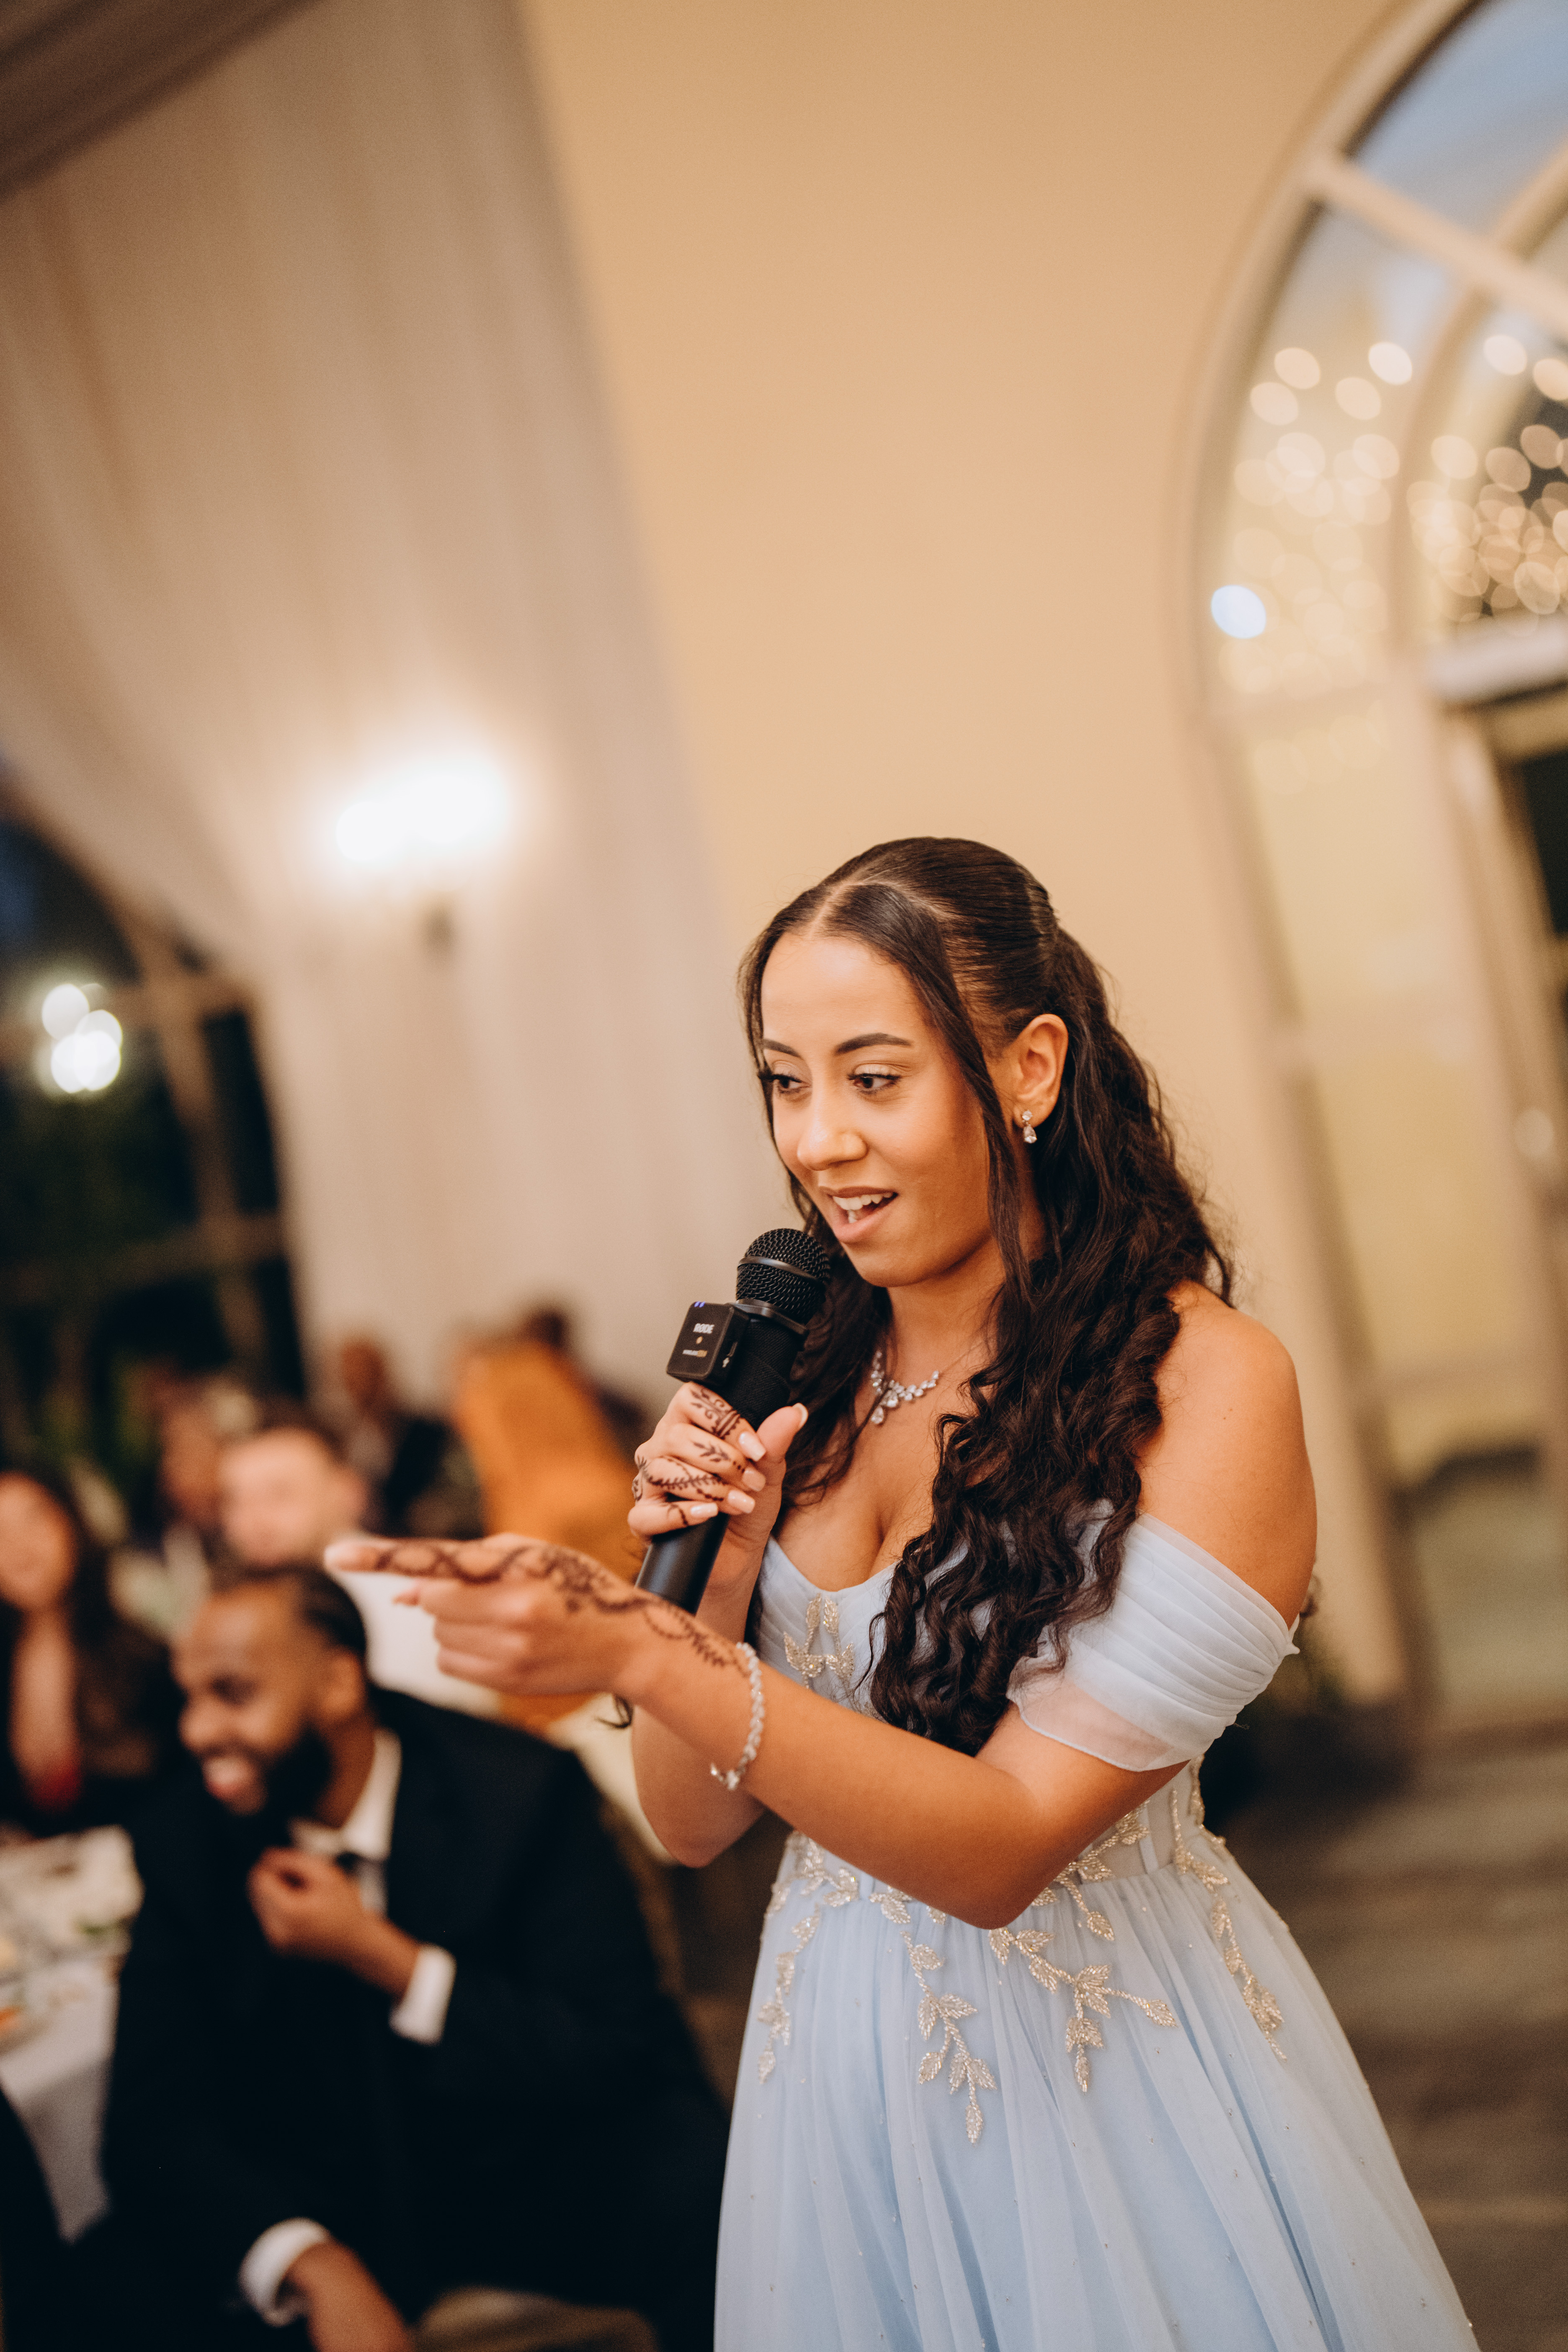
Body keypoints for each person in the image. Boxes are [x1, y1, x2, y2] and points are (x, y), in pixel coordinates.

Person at [336, 837, 1475, 2351]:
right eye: (784, 1083)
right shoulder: (800, 1367)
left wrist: (635, 1647)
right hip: (835, 2071)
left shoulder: (1206, 1384)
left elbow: (1003, 1848)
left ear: (1028, 1067)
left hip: (1107, 2080)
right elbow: (691, 1822)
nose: (818, 1141)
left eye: (873, 1079)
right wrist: (707, 1587)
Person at [101, 1567, 726, 2352]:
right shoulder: (185, 1838)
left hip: (521, 2160)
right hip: (325, 2191)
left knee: (698, 2185)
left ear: (337, 1684)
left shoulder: (517, 1793)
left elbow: (616, 2047)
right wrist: (310, 2261)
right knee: (112, 2278)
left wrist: (385, 1959)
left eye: (232, 1693)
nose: (196, 1732)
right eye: (188, 1697)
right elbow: (149, 2124)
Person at [219, 1404, 487, 1716]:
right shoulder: (242, 1604)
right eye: (236, 1501)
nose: (254, 1522)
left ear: (349, 1493)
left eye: (280, 1495)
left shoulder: (409, 1594)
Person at [0, 1462, 181, 1836]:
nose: (18, 1544)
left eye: (34, 1518)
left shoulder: (141, 1656)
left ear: (72, 1523)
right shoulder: (9, 1661)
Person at [325, 1338, 481, 1539]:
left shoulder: (428, 1432)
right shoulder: (343, 1440)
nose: (358, 1384)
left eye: (365, 1373)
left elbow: (460, 1495)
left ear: (382, 1373)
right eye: (349, 1376)